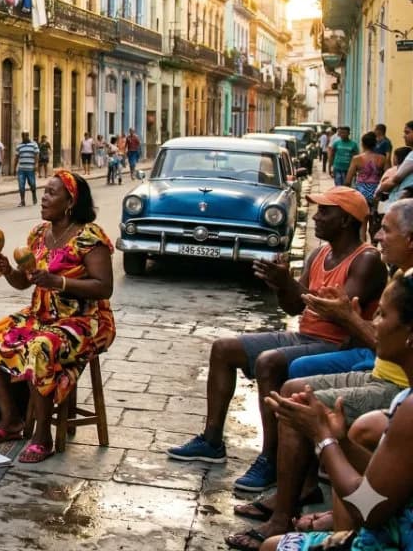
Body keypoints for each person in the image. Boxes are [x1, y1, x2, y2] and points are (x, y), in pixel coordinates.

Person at [166, 187, 387, 488]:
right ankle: (212, 440)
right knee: (223, 349)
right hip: (307, 335)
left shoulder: (366, 260)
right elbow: (294, 307)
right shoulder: (319, 253)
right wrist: (281, 286)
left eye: (325, 212)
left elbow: (333, 311)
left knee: (269, 363)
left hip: (339, 343)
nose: (317, 217)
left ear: (346, 220)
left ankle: (270, 458)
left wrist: (290, 285)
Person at [233, 273, 413, 551]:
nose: (374, 324)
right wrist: (341, 442)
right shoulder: (405, 400)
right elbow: (387, 480)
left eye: (383, 315)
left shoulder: (409, 410)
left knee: (272, 546)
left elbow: (369, 508)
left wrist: (323, 437)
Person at [0, 170, 115, 463]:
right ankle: (11, 420)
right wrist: (7, 269)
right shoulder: (38, 234)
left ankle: (43, 438)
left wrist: (59, 282)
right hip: (41, 314)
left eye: (51, 193)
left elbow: (104, 287)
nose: (44, 198)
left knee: (41, 348)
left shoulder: (90, 237)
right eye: (45, 192)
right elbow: (25, 282)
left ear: (70, 201)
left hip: (84, 320)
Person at [288, 199, 413, 382]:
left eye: (386, 230)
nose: (377, 236)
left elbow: (387, 345)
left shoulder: (370, 260)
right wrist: (282, 283)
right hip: (370, 359)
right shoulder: (401, 273)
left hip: (389, 375)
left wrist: (350, 319)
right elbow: (293, 307)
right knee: (297, 367)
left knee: (289, 376)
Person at [347, 132, 389, 240]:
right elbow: (388, 176)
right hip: (376, 192)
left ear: (362, 144)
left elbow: (348, 180)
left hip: (361, 192)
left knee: (362, 222)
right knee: (375, 220)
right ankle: (374, 245)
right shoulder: (382, 159)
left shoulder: (356, 159)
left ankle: (363, 246)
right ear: (375, 144)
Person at [15, 131, 40, 207]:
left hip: (30, 168)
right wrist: (14, 167)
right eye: (23, 136)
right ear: (22, 136)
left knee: (32, 184)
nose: (25, 137)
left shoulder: (34, 144)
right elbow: (16, 157)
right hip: (21, 169)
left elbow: (36, 155)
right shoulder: (19, 146)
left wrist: (36, 165)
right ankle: (22, 201)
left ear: (28, 135)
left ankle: (34, 195)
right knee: (21, 185)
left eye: (26, 135)